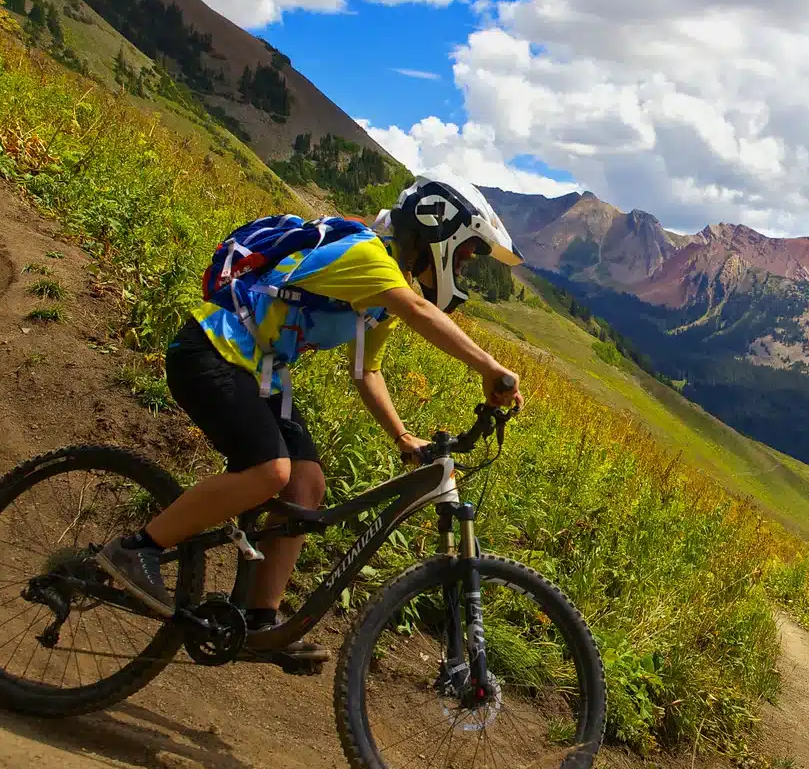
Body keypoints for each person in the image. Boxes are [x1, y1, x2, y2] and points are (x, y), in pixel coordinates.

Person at [97, 174, 524, 664]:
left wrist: (402, 435)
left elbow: (367, 372)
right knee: (269, 472)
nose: (465, 265)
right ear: (439, 230)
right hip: (211, 352)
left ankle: (260, 620)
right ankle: (138, 549)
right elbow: (416, 311)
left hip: (260, 375)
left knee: (306, 486)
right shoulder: (368, 258)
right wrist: (489, 366)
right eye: (467, 252)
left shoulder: (383, 294)